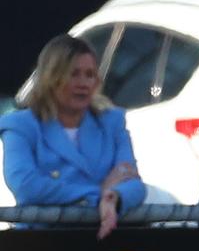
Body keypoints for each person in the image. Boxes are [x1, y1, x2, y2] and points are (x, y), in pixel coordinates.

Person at [0, 35, 145, 239]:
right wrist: (99, 194)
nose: (83, 83)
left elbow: (134, 183)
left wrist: (114, 197)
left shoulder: (112, 122)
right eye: (74, 74)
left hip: (104, 238)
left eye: (90, 75)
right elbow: (26, 187)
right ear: (51, 78)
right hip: (42, 245)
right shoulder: (20, 125)